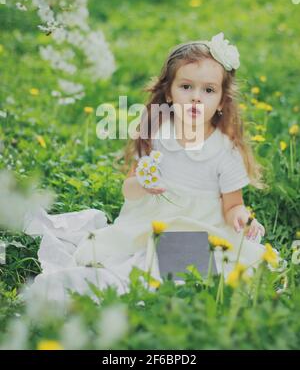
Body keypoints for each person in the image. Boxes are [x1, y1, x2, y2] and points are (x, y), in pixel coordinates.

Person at [23, 32, 270, 305]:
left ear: (222, 101)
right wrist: (141, 184)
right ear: (169, 92)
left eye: (208, 90)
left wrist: (242, 217)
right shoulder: (157, 135)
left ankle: (165, 282)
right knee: (136, 261)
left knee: (183, 271)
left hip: (200, 227)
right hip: (149, 223)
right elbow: (128, 189)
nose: (196, 98)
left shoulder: (225, 150)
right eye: (186, 87)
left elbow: (232, 205)